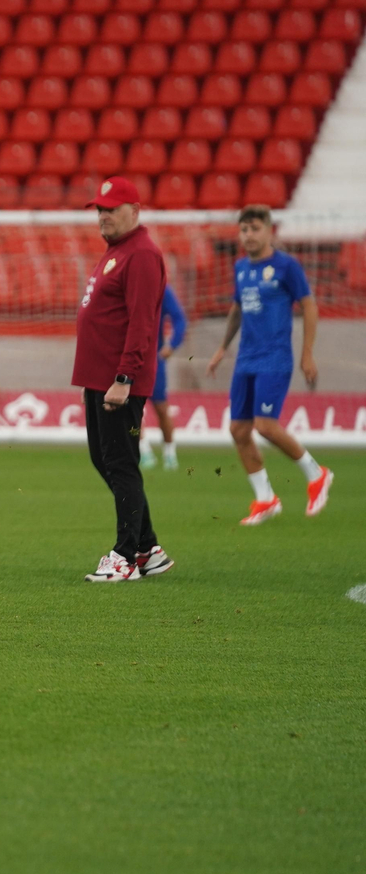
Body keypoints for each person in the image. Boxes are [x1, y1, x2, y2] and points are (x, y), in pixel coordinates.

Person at [71, 177, 174, 582]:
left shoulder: (142, 255)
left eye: (111, 209)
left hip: (118, 381)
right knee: (106, 459)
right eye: (99, 209)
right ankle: (148, 549)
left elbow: (142, 323)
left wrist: (124, 377)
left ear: (134, 209)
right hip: (99, 378)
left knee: (120, 462)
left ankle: (125, 554)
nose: (103, 216)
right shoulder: (119, 252)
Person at [205, 204, 333, 525]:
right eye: (244, 229)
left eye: (255, 228)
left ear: (269, 230)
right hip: (246, 359)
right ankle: (266, 499)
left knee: (265, 425)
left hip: (275, 358)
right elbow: (237, 309)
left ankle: (317, 474)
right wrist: (222, 348)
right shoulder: (240, 268)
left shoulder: (286, 266)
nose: (248, 235)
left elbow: (309, 306)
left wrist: (307, 353)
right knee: (238, 429)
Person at [139, 282, 186, 471]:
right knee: (130, 409)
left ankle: (169, 453)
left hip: (152, 360)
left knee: (161, 408)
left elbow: (179, 319)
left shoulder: (160, 289)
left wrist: (172, 345)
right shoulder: (125, 286)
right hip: (127, 358)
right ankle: (144, 451)